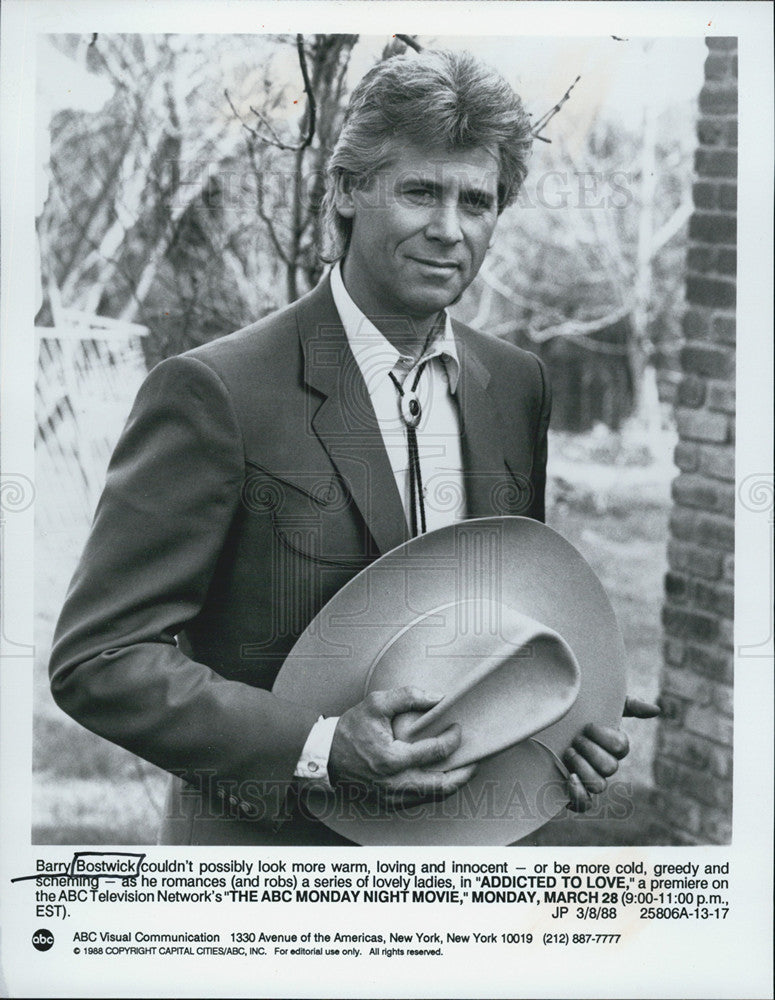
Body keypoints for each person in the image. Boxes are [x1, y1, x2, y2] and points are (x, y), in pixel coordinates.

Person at [49, 48, 657, 845]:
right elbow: (100, 657)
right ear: (344, 190)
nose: (449, 229)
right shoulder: (216, 391)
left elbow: (500, 613)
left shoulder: (514, 385)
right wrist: (320, 749)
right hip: (269, 879)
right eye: (418, 191)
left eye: (476, 200)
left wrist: (560, 723)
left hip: (462, 870)